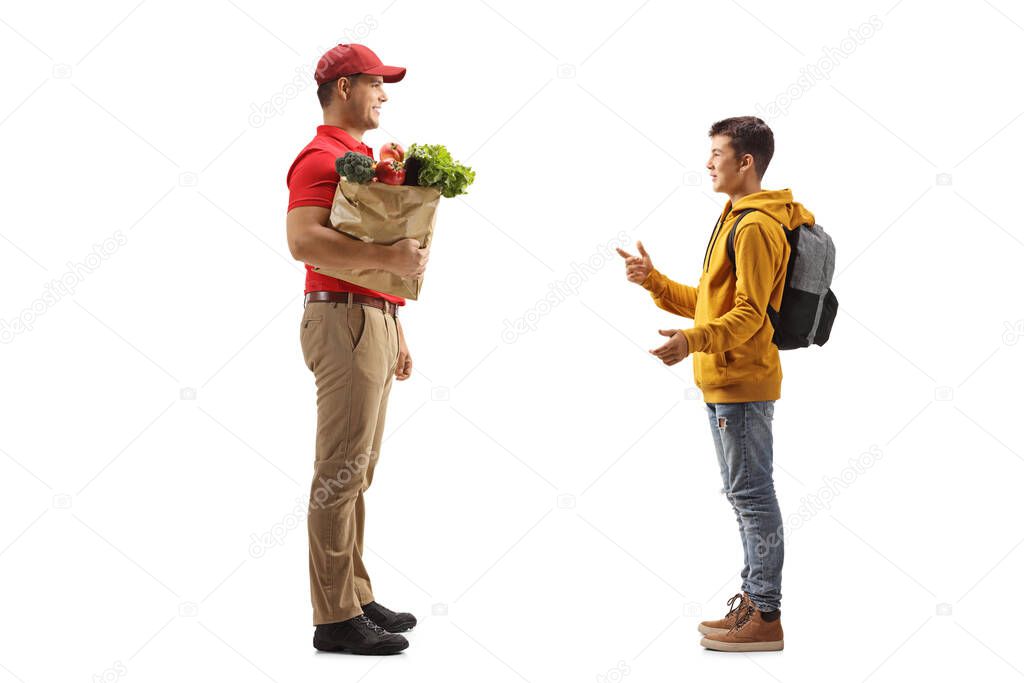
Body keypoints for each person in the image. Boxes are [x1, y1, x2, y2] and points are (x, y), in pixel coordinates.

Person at [617, 116, 815, 652]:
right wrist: (653, 281)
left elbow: (750, 314)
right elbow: (712, 302)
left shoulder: (753, 225)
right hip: (728, 379)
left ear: (744, 161)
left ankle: (765, 616)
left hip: (742, 381)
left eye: (717, 153)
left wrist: (693, 342)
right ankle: (752, 604)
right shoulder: (736, 218)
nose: (708, 163)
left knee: (752, 496)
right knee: (743, 494)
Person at [285, 43, 428, 656]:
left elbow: (368, 248)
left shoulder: (358, 157)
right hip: (340, 322)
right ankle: (334, 617)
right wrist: (388, 261)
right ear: (343, 88)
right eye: (375, 84)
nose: (384, 95)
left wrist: (393, 322)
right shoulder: (321, 158)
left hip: (366, 318)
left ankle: (356, 593)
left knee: (358, 469)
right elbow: (303, 242)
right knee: (338, 471)